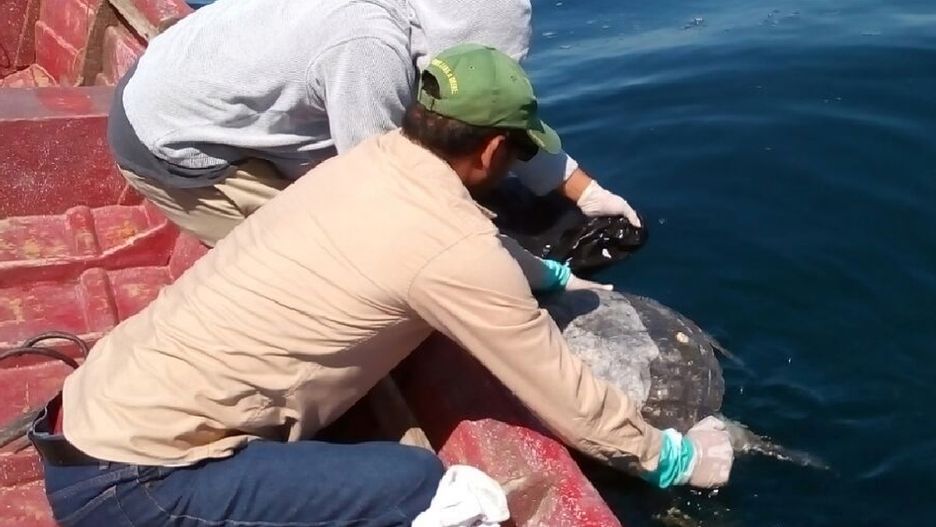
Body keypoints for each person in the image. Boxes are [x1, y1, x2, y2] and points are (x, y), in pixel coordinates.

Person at [33, 45, 731, 527]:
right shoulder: (455, 250)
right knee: (424, 487)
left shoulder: (368, 162)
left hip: (86, 414)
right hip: (134, 486)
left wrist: (548, 272)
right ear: (494, 150)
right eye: (521, 149)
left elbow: (456, 243)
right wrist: (675, 460)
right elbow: (569, 400)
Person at [108, 0, 642, 247]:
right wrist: (525, 269)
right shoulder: (368, 52)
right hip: (176, 147)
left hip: (206, 79)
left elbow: (499, 116)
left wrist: (587, 192)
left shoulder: (422, 19)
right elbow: (381, 196)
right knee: (338, 261)